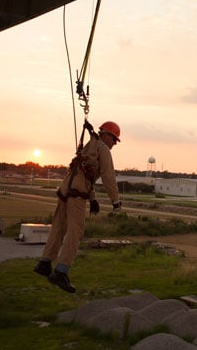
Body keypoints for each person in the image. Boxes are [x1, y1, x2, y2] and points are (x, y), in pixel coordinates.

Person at [33, 121, 122, 293]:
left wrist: (93, 198)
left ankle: (45, 263)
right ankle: (61, 271)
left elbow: (85, 173)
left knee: (59, 226)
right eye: (114, 140)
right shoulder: (103, 148)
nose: (114, 144)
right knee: (76, 230)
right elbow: (108, 176)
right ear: (106, 135)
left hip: (66, 188)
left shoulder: (91, 144)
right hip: (77, 192)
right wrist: (115, 201)